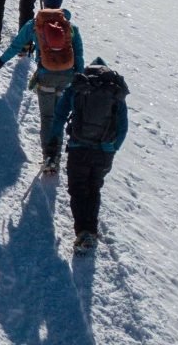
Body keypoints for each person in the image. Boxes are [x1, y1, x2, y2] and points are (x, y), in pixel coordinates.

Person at [0, 0, 84, 173]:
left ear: (44, 3)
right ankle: (56, 155)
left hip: (46, 75)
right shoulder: (71, 27)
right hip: (67, 78)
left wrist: (1, 61)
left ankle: (49, 158)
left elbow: (17, 45)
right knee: (59, 117)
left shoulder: (35, 25)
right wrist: (79, 78)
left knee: (47, 117)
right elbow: (79, 56)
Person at [52, 58, 129, 253]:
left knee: (78, 190)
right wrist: (112, 148)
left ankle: (83, 233)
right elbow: (122, 127)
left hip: (78, 147)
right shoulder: (114, 90)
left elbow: (60, 115)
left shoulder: (79, 85)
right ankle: (91, 232)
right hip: (103, 151)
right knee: (94, 189)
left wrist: (54, 141)